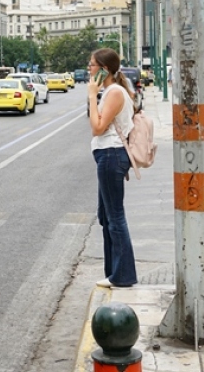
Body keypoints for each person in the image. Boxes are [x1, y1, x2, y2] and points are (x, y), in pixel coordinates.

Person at [86, 47, 137, 289]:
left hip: (111, 154)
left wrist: (91, 95)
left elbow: (97, 127)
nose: (89, 69)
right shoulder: (111, 91)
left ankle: (122, 275)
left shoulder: (114, 92)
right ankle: (113, 272)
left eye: (92, 65)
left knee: (115, 216)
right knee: (106, 216)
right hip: (108, 155)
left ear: (104, 70)